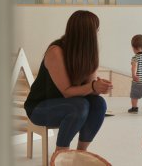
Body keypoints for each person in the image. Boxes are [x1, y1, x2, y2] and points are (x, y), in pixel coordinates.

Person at [24, 10, 113, 158]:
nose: (97, 33)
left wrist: (99, 87)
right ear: (87, 33)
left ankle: (80, 154)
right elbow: (67, 91)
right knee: (80, 105)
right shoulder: (56, 51)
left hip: (70, 105)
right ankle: (60, 155)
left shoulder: (88, 53)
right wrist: (92, 87)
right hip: (39, 108)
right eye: (95, 30)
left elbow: (90, 87)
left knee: (99, 104)